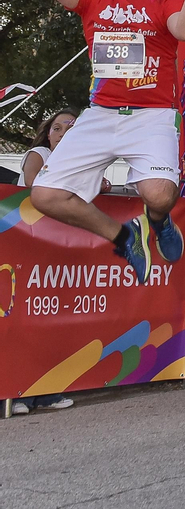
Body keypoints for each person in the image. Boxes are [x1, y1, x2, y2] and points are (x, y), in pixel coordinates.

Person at [29, 0, 185, 282]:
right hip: (100, 114)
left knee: (159, 194)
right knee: (44, 196)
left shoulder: (165, 1)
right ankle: (123, 236)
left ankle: (158, 221)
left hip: (151, 116)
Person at [15, 111, 81, 414]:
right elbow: (33, 184)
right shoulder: (40, 154)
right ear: (48, 133)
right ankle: (14, 394)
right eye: (57, 127)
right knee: (20, 316)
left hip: (55, 249)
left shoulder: (83, 162)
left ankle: (43, 390)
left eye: (71, 127)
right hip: (22, 245)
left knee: (51, 315)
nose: (63, 132)